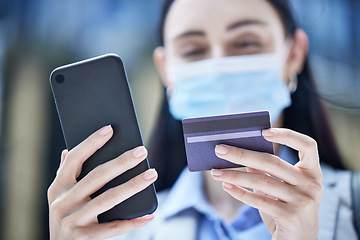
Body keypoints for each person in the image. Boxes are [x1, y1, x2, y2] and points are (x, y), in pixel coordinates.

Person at [47, 0, 358, 239]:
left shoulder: (352, 205)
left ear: (294, 54)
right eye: (194, 50)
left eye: (246, 43)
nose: (219, 67)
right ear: (165, 69)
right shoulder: (122, 231)